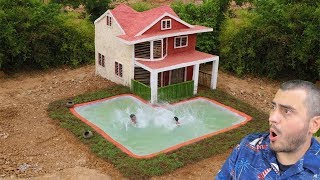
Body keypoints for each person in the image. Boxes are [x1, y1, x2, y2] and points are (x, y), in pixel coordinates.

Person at [216, 80, 320, 179]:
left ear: (314, 125)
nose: (272, 118)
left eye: (287, 111)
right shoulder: (248, 147)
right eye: (273, 107)